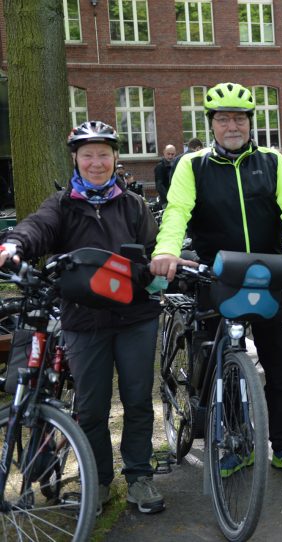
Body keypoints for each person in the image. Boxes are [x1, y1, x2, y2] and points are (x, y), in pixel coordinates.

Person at [149, 82, 282, 479]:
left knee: (280, 367)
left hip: (267, 274)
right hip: (216, 274)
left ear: (249, 123)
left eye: (239, 118)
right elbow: (176, 212)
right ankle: (236, 442)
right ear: (211, 124)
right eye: (223, 119)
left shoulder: (273, 162)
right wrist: (167, 250)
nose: (232, 126)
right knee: (217, 361)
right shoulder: (192, 165)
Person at [0, 120, 164, 515]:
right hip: (84, 321)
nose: (96, 162)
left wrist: (156, 267)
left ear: (114, 158)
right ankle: (99, 480)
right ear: (75, 159)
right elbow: (36, 228)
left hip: (135, 316)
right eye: (88, 155)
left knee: (138, 399)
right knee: (90, 408)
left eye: (103, 155)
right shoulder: (61, 205)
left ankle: (140, 476)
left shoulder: (134, 204)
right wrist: (13, 244)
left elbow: (155, 247)